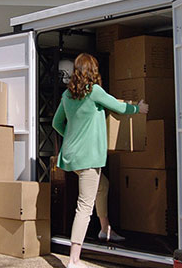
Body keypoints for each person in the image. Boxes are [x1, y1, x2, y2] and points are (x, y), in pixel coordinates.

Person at [52, 53, 148, 268]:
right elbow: (119, 107)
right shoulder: (94, 92)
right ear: (93, 71)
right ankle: (74, 260)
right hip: (88, 159)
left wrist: (71, 136)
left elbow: (57, 123)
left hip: (71, 156)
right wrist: (138, 109)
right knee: (84, 207)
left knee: (102, 186)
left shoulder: (67, 96)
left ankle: (105, 229)